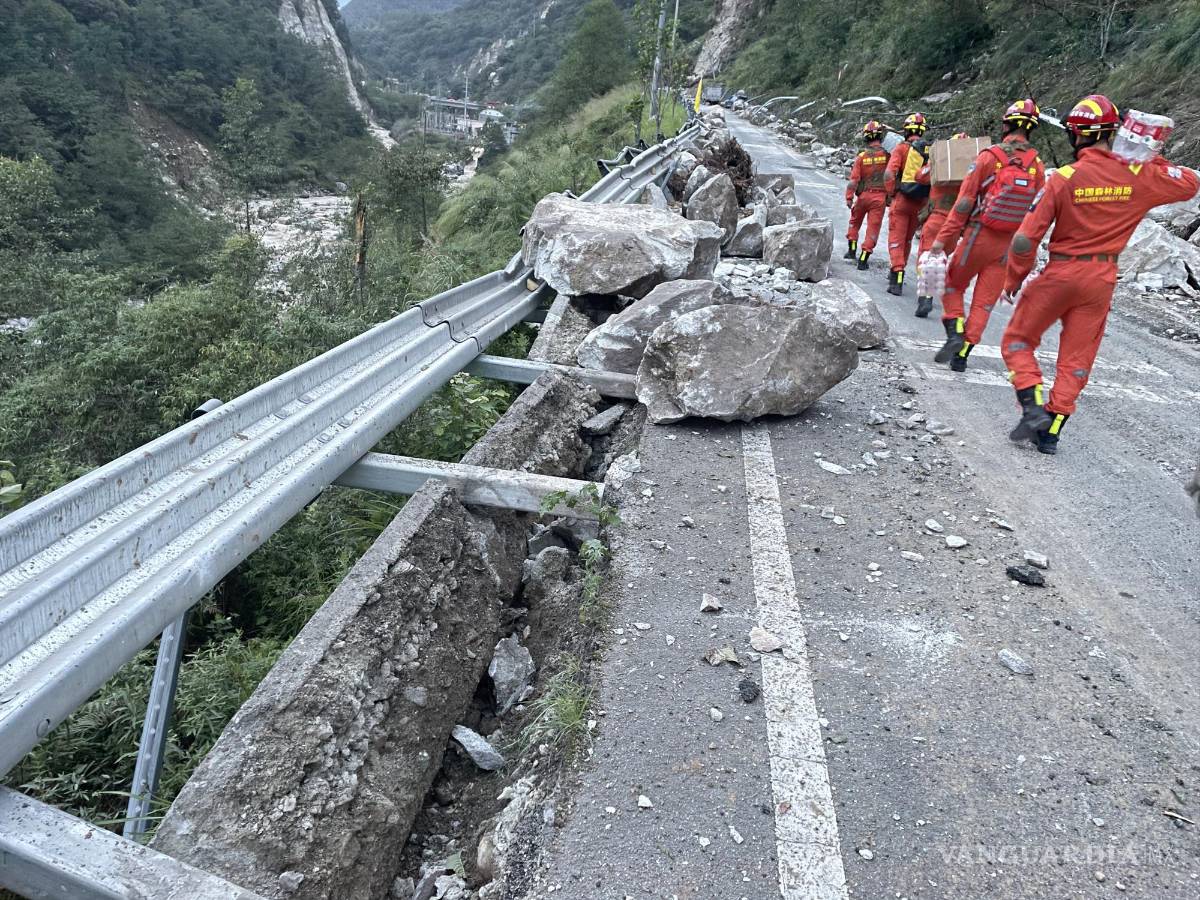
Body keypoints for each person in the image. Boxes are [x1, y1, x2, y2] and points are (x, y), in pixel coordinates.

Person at [1001, 94, 1199, 454]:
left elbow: (1024, 239)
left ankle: (1031, 409)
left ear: (1076, 135)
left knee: (1017, 340)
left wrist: (1015, 278)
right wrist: (1145, 156)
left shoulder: (1064, 178)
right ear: (1116, 132)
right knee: (1077, 358)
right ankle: (1052, 431)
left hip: (1060, 272)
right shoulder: (1140, 176)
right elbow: (1189, 182)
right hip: (1101, 279)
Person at [929, 100, 1045, 370]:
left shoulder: (989, 157)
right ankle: (963, 354)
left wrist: (942, 240)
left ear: (1006, 124)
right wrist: (1025, 264)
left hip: (978, 234)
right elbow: (1036, 216)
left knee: (951, 283)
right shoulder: (1037, 166)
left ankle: (955, 330)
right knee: (984, 303)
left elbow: (964, 203)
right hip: (1008, 244)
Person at [913, 132, 971, 317]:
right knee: (942, 259)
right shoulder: (972, 171)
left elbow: (919, 177)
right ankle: (934, 292)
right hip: (955, 225)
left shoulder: (940, 163)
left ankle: (926, 297)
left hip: (936, 218)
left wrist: (931, 162)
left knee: (926, 257)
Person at [883, 112, 930, 295]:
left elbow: (889, 174)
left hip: (902, 200)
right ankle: (905, 272)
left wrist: (891, 193)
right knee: (908, 239)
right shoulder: (929, 150)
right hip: (921, 204)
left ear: (906, 130)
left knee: (896, 239)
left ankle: (897, 276)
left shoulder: (901, 148)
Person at [845, 121, 890, 267]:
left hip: (863, 196)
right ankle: (864, 258)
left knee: (854, 222)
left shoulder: (862, 157)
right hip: (880, 199)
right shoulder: (888, 156)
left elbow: (854, 180)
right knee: (873, 228)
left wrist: (849, 197)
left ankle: (851, 251)